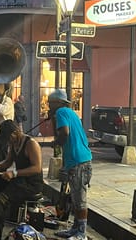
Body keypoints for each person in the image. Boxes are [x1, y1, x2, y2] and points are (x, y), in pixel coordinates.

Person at [0, 119, 44, 240]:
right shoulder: (14, 144)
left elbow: (37, 168)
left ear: (15, 132)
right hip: (20, 180)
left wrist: (14, 173)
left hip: (31, 184)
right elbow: (7, 162)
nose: (9, 141)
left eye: (9, 138)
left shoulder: (31, 143)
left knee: (1, 200)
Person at [49, 89, 92, 240]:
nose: (49, 105)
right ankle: (75, 229)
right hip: (80, 159)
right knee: (74, 197)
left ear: (58, 103)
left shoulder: (60, 112)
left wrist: (56, 144)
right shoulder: (71, 113)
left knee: (80, 199)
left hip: (78, 160)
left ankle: (82, 232)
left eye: (50, 103)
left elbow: (65, 133)